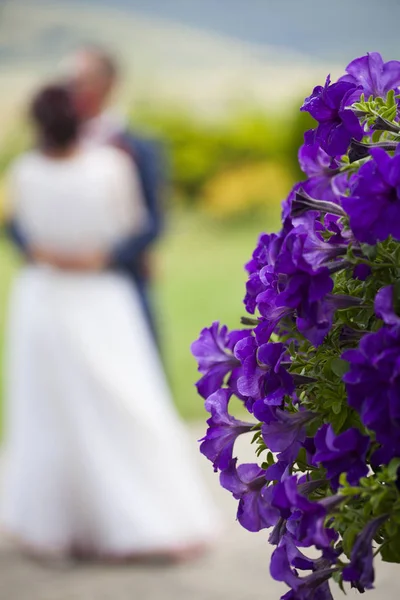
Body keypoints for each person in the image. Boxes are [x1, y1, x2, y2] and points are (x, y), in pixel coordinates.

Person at [1, 85, 218, 561]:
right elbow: (136, 227)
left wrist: (47, 254)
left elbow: (20, 231)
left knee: (51, 411)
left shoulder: (25, 170)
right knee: (126, 402)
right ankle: (149, 521)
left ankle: (61, 527)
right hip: (101, 294)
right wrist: (99, 259)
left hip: (44, 296)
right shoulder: (110, 165)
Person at [8, 46, 164, 344]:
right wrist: (37, 250)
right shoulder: (35, 160)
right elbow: (16, 218)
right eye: (70, 82)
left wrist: (107, 257)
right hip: (51, 287)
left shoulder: (137, 147)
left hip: (120, 282)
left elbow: (152, 221)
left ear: (110, 83)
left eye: (82, 80)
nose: (74, 90)